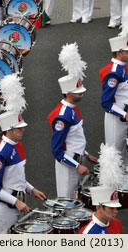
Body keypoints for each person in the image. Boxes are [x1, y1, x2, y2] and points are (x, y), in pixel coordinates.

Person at [0, 111, 46, 234]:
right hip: (6, 207)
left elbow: (17, 177)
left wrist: (32, 189)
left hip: (19, 202)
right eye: (19, 128)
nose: (23, 130)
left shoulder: (19, 146)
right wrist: (16, 202)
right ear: (9, 131)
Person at [48, 75, 98, 198]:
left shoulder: (72, 109)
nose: (82, 94)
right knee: (67, 202)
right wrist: (77, 166)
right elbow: (57, 151)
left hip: (75, 163)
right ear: (68, 93)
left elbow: (74, 139)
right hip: (68, 167)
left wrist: (86, 154)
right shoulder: (63, 117)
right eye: (78, 92)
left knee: (76, 199)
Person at [100, 35, 128, 165]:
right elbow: (106, 103)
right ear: (119, 52)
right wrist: (124, 114)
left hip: (123, 116)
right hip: (116, 118)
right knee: (116, 154)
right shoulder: (114, 72)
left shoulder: (122, 67)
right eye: (127, 51)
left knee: (124, 153)